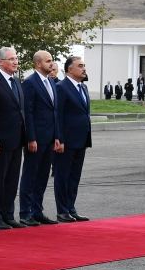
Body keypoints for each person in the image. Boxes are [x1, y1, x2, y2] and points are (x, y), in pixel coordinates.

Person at [19, 50, 63, 226]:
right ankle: (25, 213)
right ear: (38, 64)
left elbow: (55, 112)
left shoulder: (50, 82)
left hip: (50, 138)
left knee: (43, 176)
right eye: (48, 61)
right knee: (30, 175)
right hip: (36, 139)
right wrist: (31, 138)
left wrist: (57, 136)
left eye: (52, 60)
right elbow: (28, 112)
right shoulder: (30, 83)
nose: (51, 64)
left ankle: (37, 211)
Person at [0, 47, 27, 229]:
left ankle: (8, 214)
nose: (15, 62)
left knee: (12, 178)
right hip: (2, 139)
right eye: (11, 59)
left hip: (17, 138)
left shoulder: (16, 81)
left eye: (16, 58)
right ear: (0, 62)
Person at [53, 56, 92, 222]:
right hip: (66, 141)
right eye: (80, 66)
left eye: (84, 65)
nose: (84, 69)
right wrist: (59, 139)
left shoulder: (83, 87)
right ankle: (62, 211)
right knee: (62, 176)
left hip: (81, 139)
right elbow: (58, 115)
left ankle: (71, 208)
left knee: (74, 177)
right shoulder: (61, 87)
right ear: (70, 69)